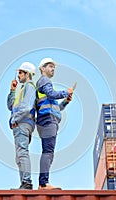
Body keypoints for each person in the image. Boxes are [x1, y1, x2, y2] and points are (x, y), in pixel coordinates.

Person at [36, 58, 73, 190]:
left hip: (48, 119)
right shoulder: (44, 81)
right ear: (42, 68)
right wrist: (66, 92)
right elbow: (52, 94)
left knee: (49, 152)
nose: (53, 69)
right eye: (50, 66)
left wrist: (65, 102)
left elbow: (56, 107)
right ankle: (43, 183)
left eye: (54, 67)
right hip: (47, 120)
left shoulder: (46, 84)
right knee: (48, 152)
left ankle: (43, 182)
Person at [7, 62, 37, 190]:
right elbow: (10, 106)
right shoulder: (22, 89)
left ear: (27, 74)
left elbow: (27, 107)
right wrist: (12, 90)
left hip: (23, 123)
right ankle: (24, 183)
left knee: (22, 153)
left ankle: (27, 183)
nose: (18, 75)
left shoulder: (29, 87)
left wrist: (15, 118)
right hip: (19, 124)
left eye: (20, 72)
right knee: (19, 156)